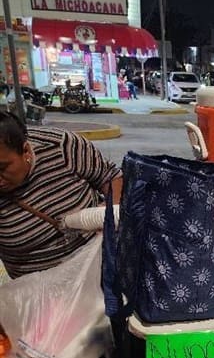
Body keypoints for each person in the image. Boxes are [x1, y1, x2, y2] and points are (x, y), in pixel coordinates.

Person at [0, 112, 122, 278]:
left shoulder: (62, 146)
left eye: (2, 168)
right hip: (38, 293)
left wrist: (109, 215)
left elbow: (111, 177)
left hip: (99, 271)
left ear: (26, 150)